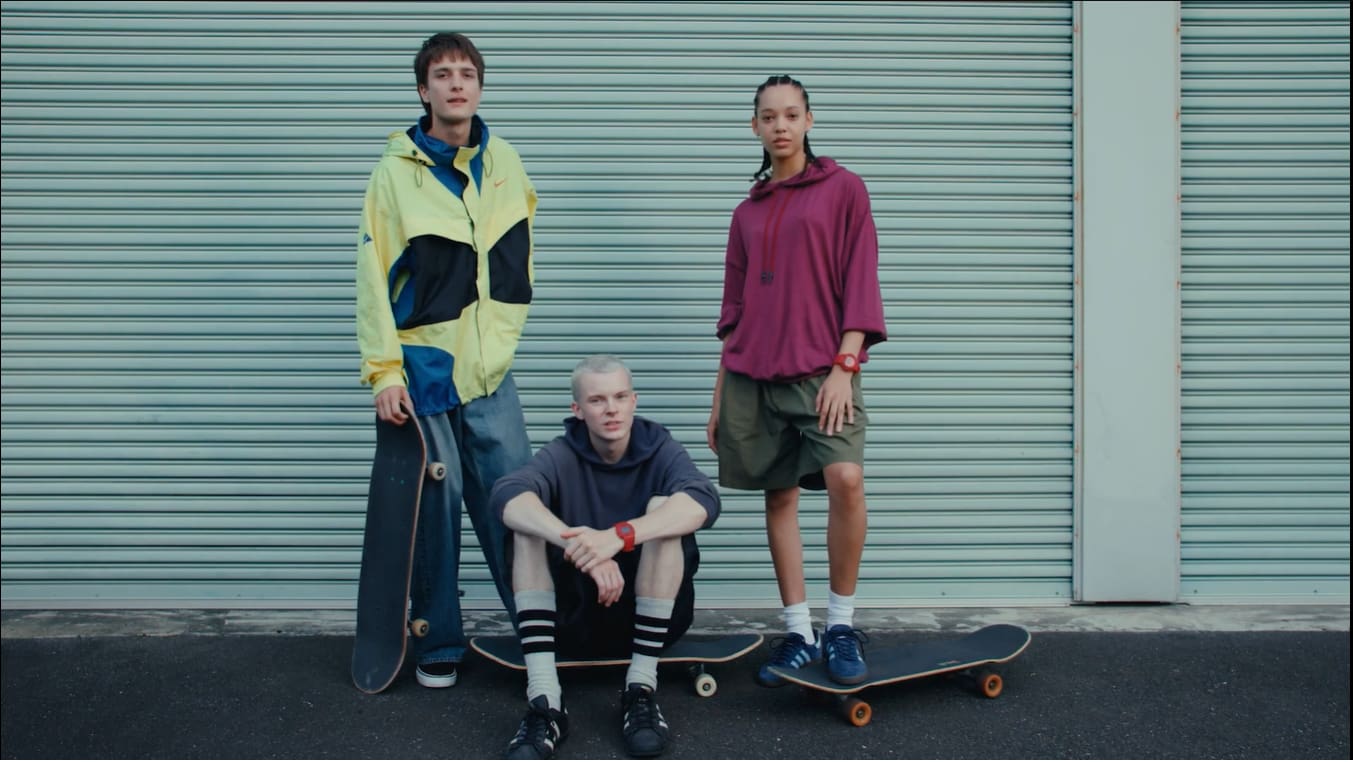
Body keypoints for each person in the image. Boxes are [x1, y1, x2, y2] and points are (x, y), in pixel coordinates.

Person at [355, 32, 537, 689]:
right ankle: (438, 636)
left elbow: (516, 256)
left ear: (479, 87)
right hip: (426, 366)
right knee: (436, 507)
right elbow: (372, 279)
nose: (455, 84)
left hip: (490, 369)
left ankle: (538, 628)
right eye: (442, 74)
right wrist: (384, 372)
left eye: (466, 73)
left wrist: (506, 329)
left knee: (515, 499)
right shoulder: (393, 173)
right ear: (423, 89)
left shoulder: (506, 162)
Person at [706, 75, 887, 688]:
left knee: (846, 477)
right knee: (779, 495)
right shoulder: (746, 212)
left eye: (790, 114)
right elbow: (732, 311)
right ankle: (798, 632)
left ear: (809, 120)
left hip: (822, 370)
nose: (780, 126)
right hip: (750, 375)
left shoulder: (844, 191)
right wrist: (717, 399)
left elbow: (861, 281)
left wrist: (846, 366)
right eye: (767, 116)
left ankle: (840, 624)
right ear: (753, 127)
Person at [491, 355, 721, 759]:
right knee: (526, 527)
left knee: (665, 510)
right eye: (597, 400)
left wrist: (619, 537)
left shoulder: (659, 448)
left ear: (634, 401)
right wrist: (581, 547)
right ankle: (545, 701)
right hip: (574, 619)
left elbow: (704, 501)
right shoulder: (563, 454)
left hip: (650, 620)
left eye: (619, 397)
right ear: (577, 411)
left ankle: (640, 689)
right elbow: (507, 495)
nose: (611, 409)